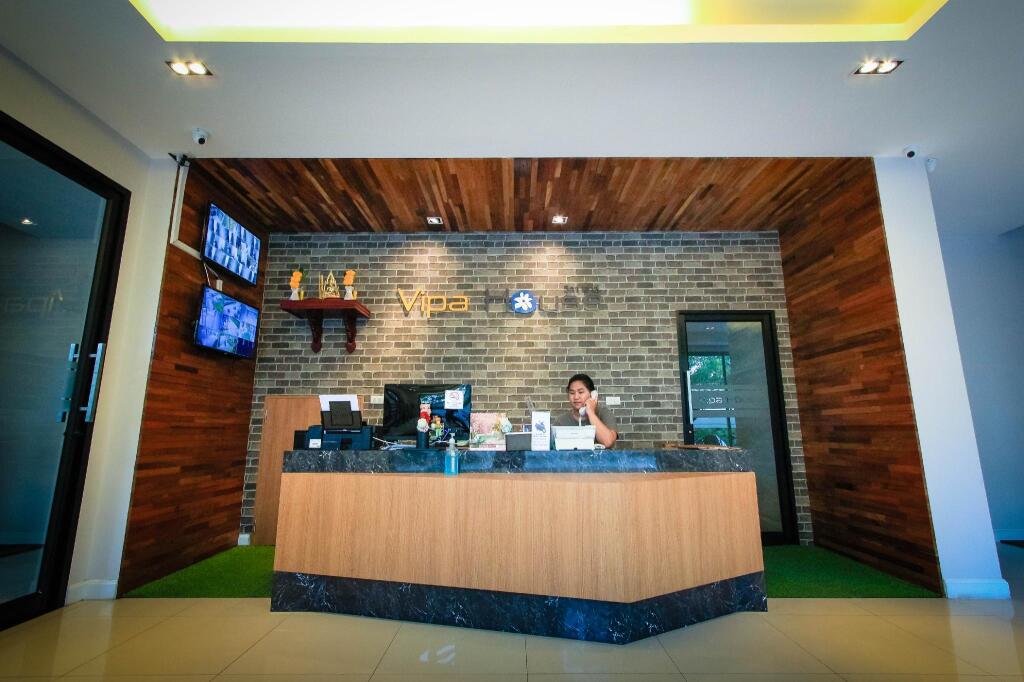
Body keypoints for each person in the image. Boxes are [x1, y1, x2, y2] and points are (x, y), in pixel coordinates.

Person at [553, 373, 618, 448]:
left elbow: (608, 442)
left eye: (581, 392)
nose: (576, 397)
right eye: (572, 393)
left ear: (592, 394)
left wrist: (591, 412)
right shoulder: (561, 421)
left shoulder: (604, 413)